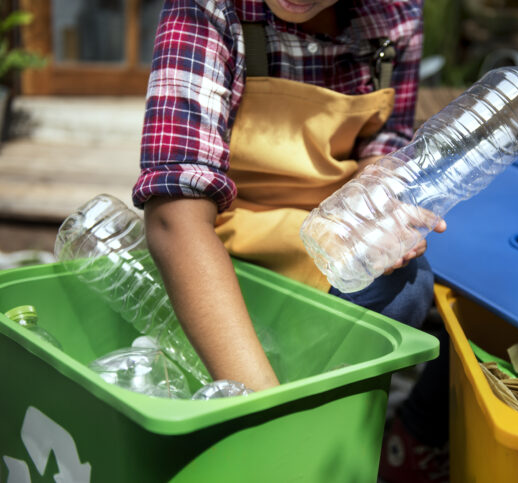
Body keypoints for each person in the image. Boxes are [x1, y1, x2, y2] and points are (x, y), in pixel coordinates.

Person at [132, 1, 448, 480]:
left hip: (322, 239)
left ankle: (329, 439)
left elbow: (385, 141)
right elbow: (175, 218)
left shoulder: (395, 15)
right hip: (222, 247)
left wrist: (379, 200)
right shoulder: (209, 9)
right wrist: (265, 417)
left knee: (407, 284)